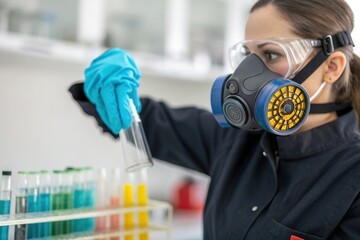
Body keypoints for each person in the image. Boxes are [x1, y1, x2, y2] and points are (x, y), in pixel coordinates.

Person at [69, 0, 360, 239]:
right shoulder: (234, 139)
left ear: (331, 67)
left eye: (271, 54)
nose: (249, 71)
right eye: (248, 54)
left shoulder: (353, 176)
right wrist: (109, 90)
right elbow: (144, 121)